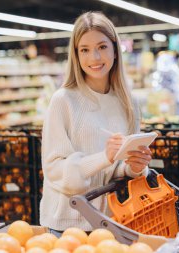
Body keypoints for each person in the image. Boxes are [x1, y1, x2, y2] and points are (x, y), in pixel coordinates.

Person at [39, 12, 152, 236]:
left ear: (114, 50)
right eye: (85, 50)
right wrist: (104, 157)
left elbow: (117, 169)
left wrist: (134, 166)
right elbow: (54, 170)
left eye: (102, 47)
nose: (94, 58)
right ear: (76, 54)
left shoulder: (128, 103)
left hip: (112, 222)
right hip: (68, 227)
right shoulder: (63, 101)